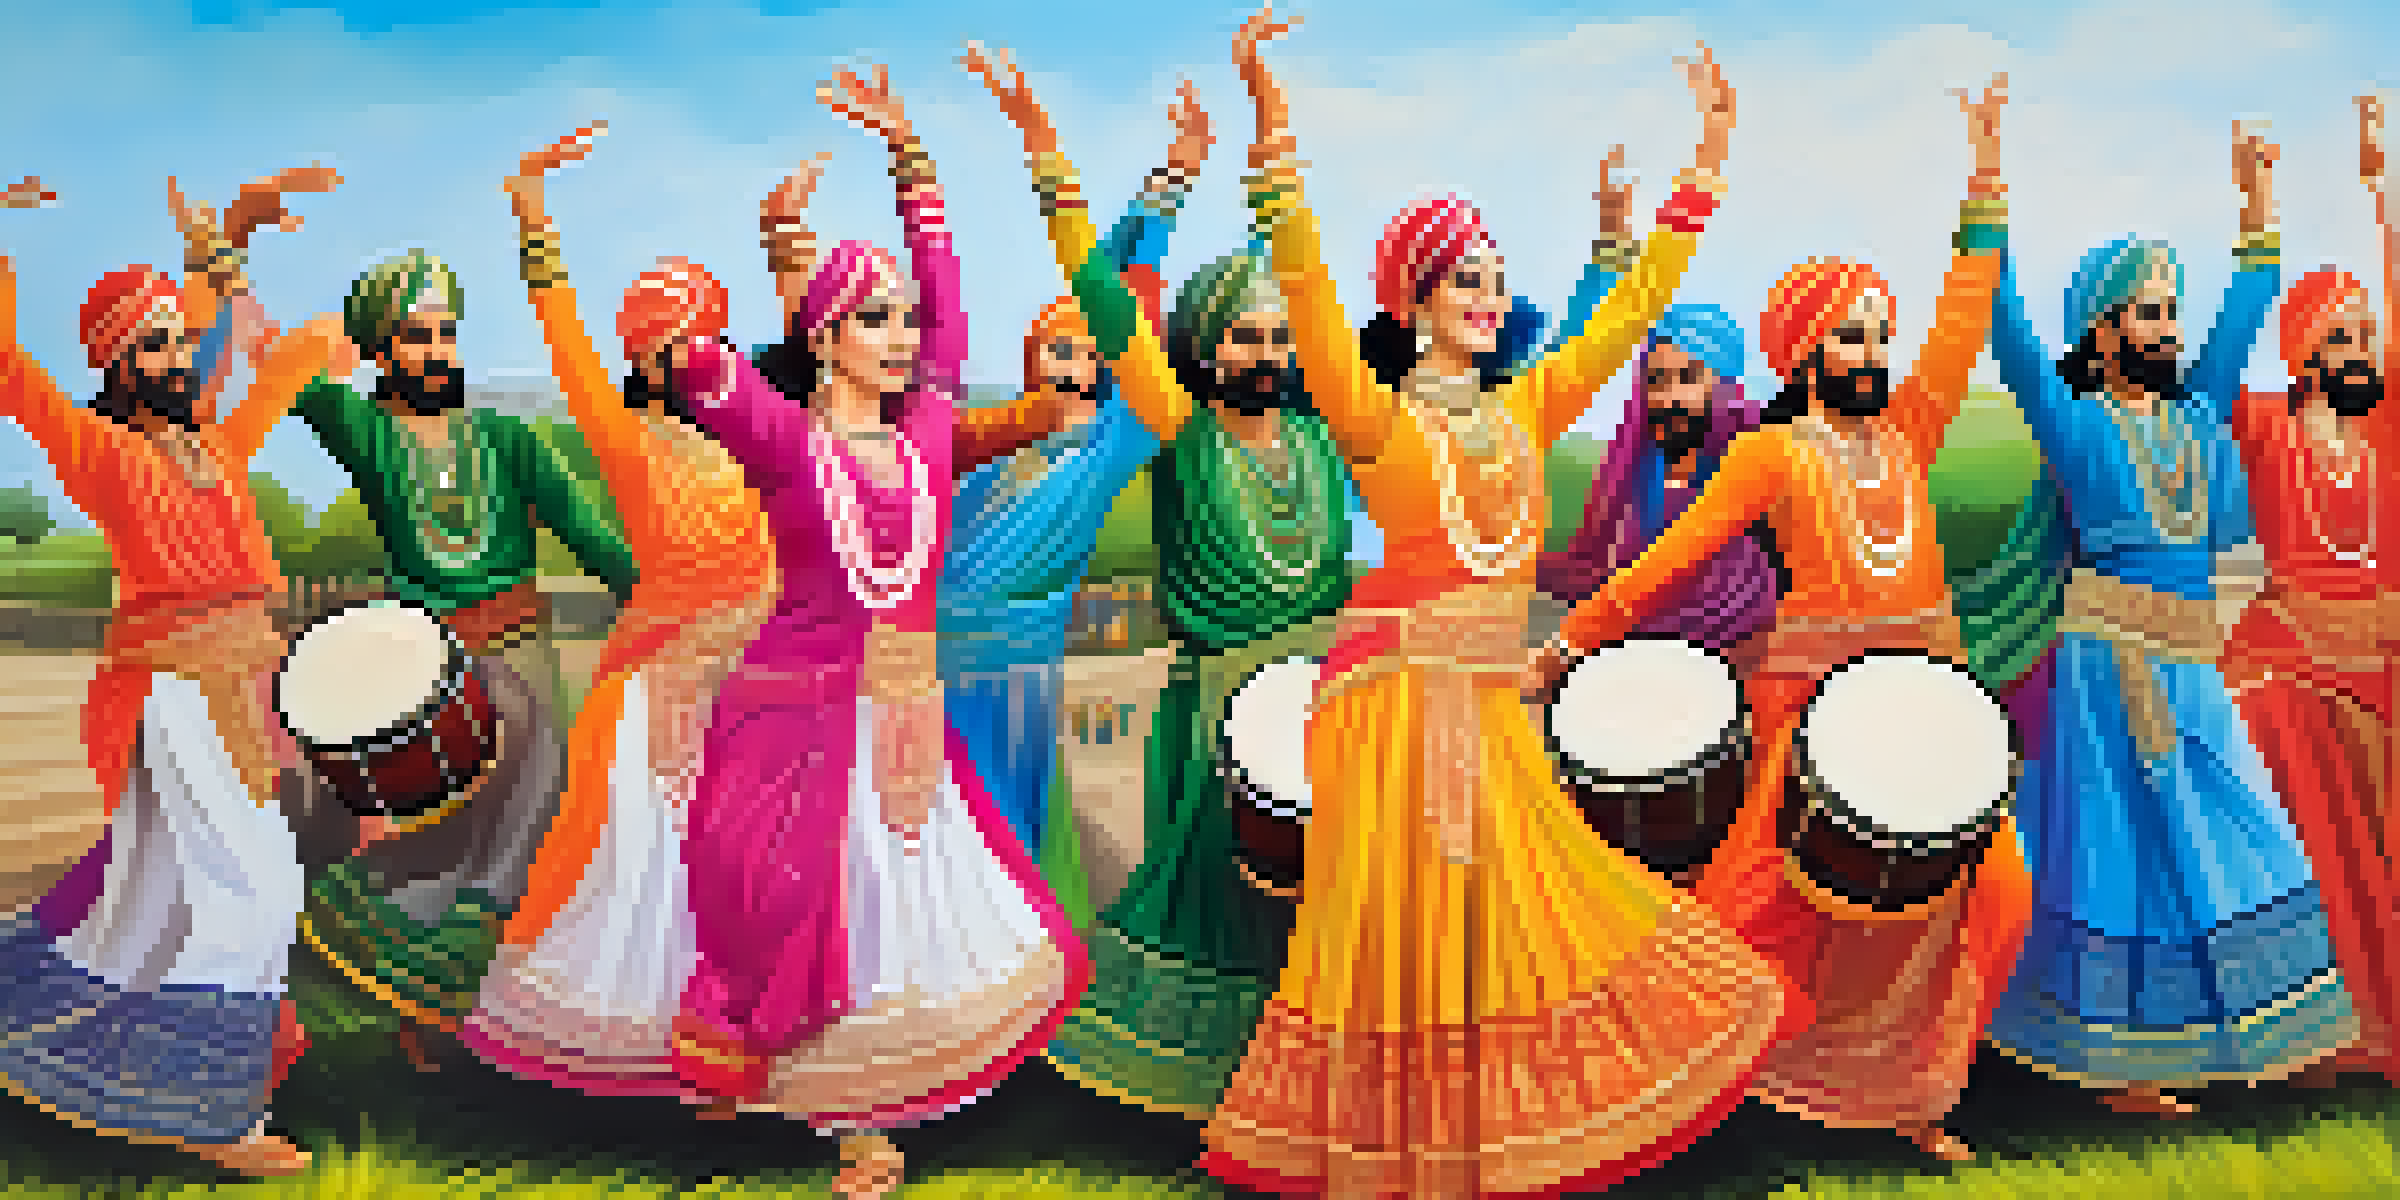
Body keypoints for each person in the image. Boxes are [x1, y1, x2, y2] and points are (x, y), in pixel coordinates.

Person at [1189, 14, 1796, 1196]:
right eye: (1465, 278)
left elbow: (1624, 318)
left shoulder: (1524, 410)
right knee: (1412, 935)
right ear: (1415, 299)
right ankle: (1405, 1158)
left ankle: (1474, 1147)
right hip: (1390, 709)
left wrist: (1704, 172)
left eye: (1496, 280)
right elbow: (1308, 291)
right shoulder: (1377, 418)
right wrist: (1273, 140)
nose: (1488, 295)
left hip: (1483, 706)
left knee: (1510, 917)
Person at [666, 65, 1086, 1200]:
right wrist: (684, 329)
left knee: (905, 913)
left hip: (905, 716)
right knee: (799, 908)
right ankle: (825, 1104)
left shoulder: (930, 430)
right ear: (823, 337)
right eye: (874, 320)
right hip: (794, 713)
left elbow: (949, 299)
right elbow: (707, 375)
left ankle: (877, 1113)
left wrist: (913, 161)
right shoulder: (785, 441)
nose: (903, 335)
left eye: (903, 319)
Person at [963, 30, 1356, 1118]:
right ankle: (1217, 1096)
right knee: (1224, 907)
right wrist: (1053, 153)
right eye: (1242, 337)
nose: (1265, 354)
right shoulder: (1177, 428)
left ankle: (1323, 1089)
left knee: (1339, 906)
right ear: (1202, 346)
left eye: (1277, 337)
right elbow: (1102, 293)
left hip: (1334, 702)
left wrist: (1272, 123)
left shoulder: (1327, 435)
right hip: (1216, 710)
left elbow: (1293, 256)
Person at [1981, 119, 2359, 1116]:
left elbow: (2244, 312)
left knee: (2242, 824)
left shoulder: (2197, 414)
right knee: (2121, 861)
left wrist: (2257, 210)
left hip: (2190, 664)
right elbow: (2008, 334)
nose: (2167, 329)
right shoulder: (2075, 423)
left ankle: (2280, 1022)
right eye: (2148, 313)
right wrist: (1986, 191)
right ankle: (2124, 1068)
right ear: (2102, 332)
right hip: (2107, 671)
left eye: (2169, 312)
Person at [0, 174, 350, 1176]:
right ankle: (216, 1115)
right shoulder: (104, 452)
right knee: (253, 888)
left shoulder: (217, 449)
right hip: (171, 699)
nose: (173, 361)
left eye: (175, 345)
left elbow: (241, 357)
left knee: (158, 905)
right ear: (116, 367)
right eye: (149, 348)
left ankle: (146, 1074)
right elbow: (10, 374)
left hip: (243, 695)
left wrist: (230, 236)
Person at [457, 122, 782, 1098]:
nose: (688, 360)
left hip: (757, 688)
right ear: (642, 362)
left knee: (750, 870)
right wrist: (534, 217)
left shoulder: (761, 433)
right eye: (668, 349)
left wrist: (787, 245)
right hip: (657, 691)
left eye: (703, 341)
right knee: (648, 874)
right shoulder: (628, 435)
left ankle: (733, 1053)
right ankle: (652, 1056)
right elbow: (564, 339)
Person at [285, 243, 639, 1073]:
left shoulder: (509, 440)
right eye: (415, 336)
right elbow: (295, 380)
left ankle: (493, 1020)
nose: (438, 351)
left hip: (526, 661)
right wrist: (230, 254)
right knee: (452, 835)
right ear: (381, 349)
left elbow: (590, 535)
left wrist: (663, 602)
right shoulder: (370, 435)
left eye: (446, 333)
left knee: (535, 829)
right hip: (430, 672)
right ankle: (424, 1011)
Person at [937, 65, 1213, 914]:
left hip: (1017, 670)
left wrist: (1164, 194)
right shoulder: (981, 437)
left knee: (1006, 840)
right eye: (1061, 348)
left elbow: (1127, 306)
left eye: (1093, 356)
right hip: (931, 663)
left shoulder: (1107, 448)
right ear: (1031, 357)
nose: (1078, 364)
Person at [2220, 93, 2399, 1091]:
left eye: (2367, 334)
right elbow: (2207, 378)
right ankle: (2313, 1035)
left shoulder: (2385, 431)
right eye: (2341, 336)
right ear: (2303, 352)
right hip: (2292, 656)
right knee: (2286, 749)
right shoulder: (2266, 426)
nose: (2361, 350)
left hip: (2382, 658)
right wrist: (2258, 214)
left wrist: (2380, 191)